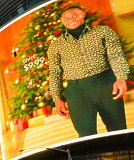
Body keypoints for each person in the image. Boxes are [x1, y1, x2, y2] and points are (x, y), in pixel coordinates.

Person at [47, 5, 130, 138]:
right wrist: (57, 98)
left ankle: (124, 157)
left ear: (83, 14)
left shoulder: (103, 32)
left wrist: (121, 78)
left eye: (75, 14)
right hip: (77, 91)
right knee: (85, 135)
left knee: (118, 130)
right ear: (62, 21)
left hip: (106, 84)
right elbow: (55, 73)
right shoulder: (55, 46)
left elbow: (116, 56)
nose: (71, 19)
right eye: (66, 18)